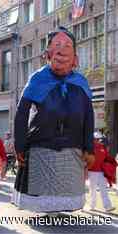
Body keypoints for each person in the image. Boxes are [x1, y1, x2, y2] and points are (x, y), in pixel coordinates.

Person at [14, 26, 95, 213]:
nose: (62, 49)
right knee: (42, 193)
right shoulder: (37, 79)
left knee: (66, 193)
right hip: (41, 146)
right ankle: (47, 213)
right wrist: (20, 145)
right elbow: (21, 113)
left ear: (75, 57)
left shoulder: (81, 83)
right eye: (57, 44)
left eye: (67, 45)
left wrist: (89, 147)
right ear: (47, 54)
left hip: (71, 146)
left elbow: (89, 116)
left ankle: (58, 213)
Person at [88, 133, 115, 212]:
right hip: (92, 172)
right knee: (92, 190)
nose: (100, 140)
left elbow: (106, 159)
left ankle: (108, 207)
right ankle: (92, 206)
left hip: (101, 172)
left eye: (100, 139)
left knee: (103, 189)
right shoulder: (90, 148)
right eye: (98, 139)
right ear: (94, 139)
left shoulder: (103, 147)